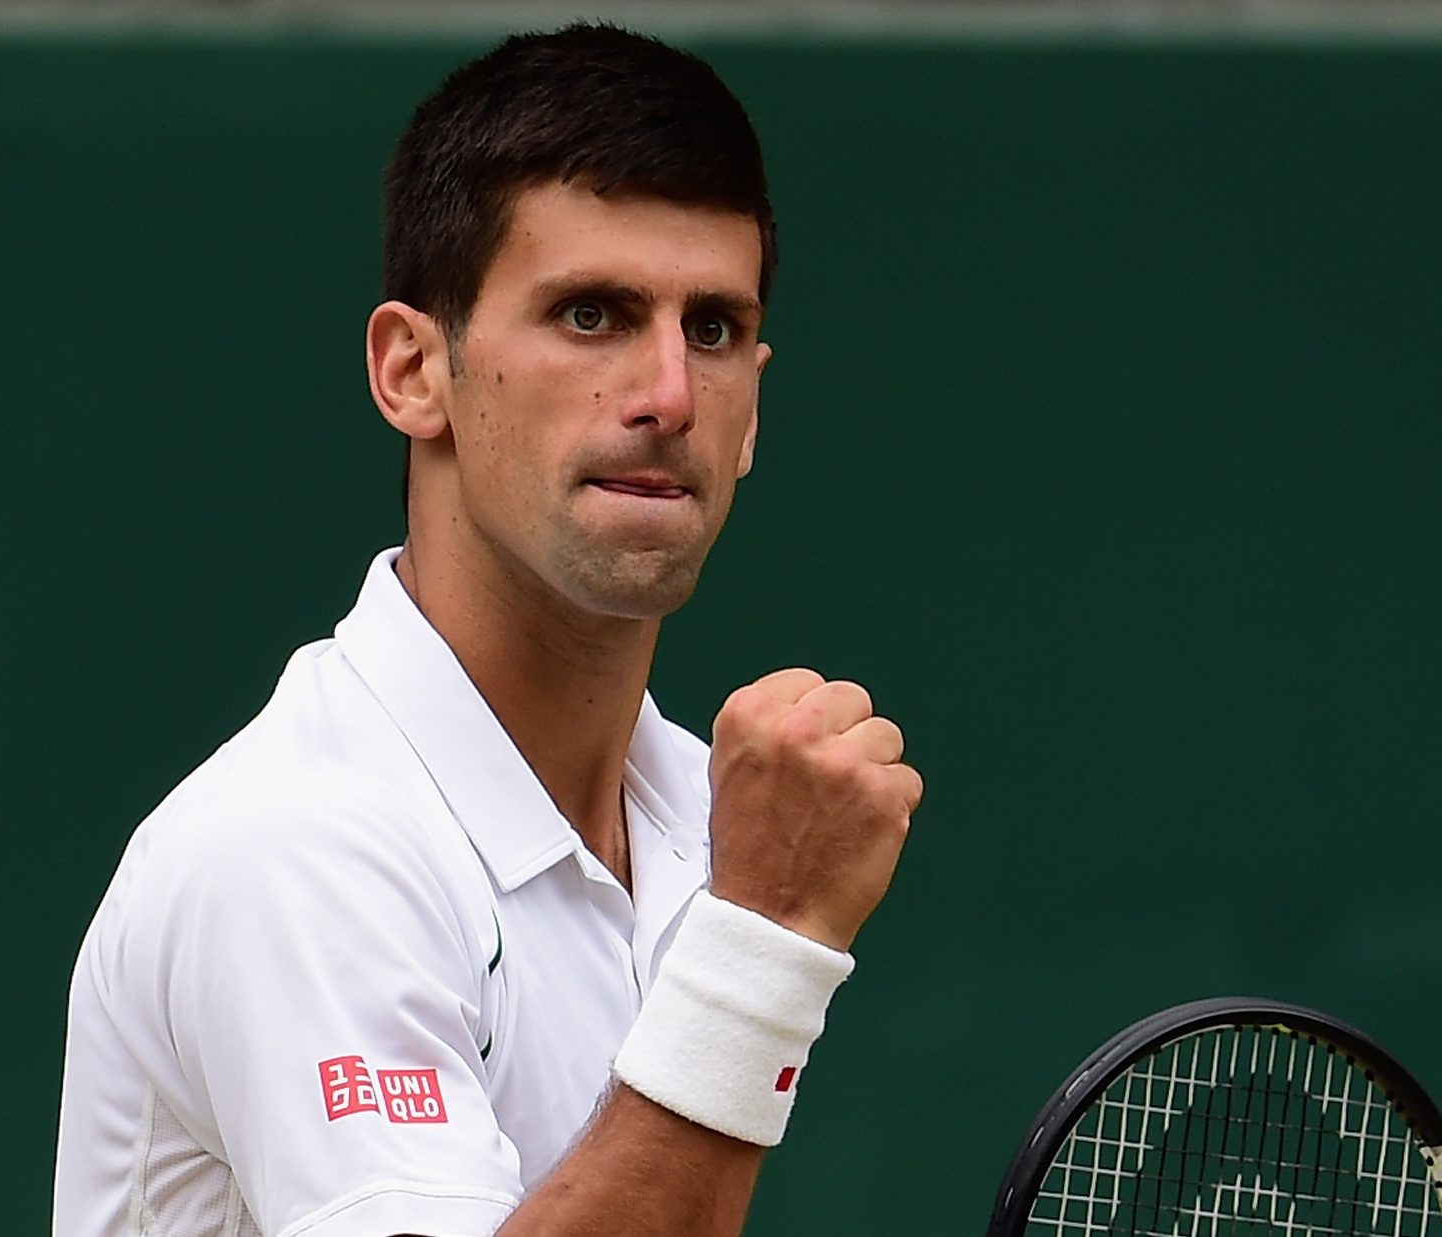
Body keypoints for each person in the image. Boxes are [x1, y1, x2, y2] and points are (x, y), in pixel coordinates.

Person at [54, 23, 921, 1237]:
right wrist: (762, 946)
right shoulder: (295, 846)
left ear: (755, 407)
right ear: (412, 369)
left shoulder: (696, 822)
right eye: (591, 314)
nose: (670, 393)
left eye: (712, 329)